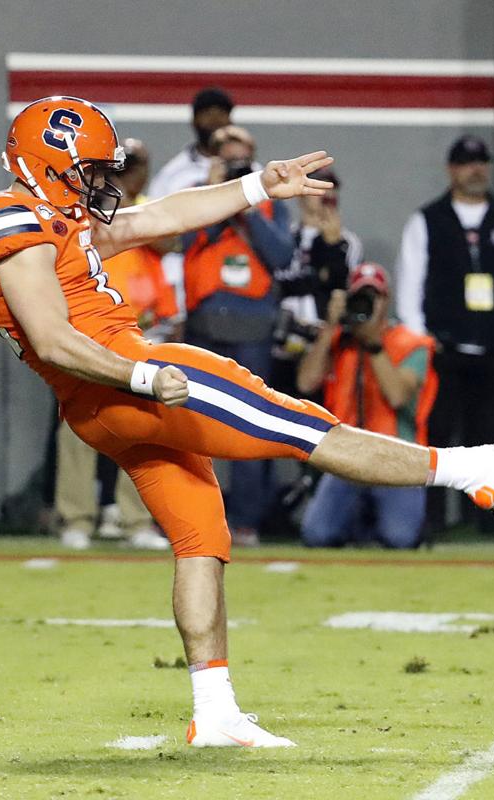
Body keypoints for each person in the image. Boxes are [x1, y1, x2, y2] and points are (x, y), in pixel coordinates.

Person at [0, 95, 494, 748]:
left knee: (201, 538)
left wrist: (254, 187)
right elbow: (51, 338)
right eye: (91, 170)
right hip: (131, 379)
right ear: (51, 165)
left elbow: (159, 214)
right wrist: (141, 374)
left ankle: (214, 710)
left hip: (97, 406)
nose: (103, 183)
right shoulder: (7, 217)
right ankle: (472, 468)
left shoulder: (55, 216)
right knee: (301, 426)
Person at [394, 135, 494, 536]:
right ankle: (435, 518)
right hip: (444, 347)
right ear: (451, 169)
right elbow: (411, 283)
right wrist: (422, 340)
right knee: (438, 435)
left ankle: (490, 520)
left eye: (481, 162)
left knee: (492, 438)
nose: (475, 169)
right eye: (466, 162)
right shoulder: (427, 220)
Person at [54, 138, 174, 551]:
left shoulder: (139, 208)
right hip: (88, 328)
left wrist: (129, 191)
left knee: (142, 426)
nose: (126, 174)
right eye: (119, 167)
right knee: (79, 424)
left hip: (140, 329)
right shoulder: (85, 205)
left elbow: (168, 239)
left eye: (134, 166)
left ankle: (134, 519)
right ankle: (76, 517)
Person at [181, 124, 294, 547]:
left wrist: (245, 206)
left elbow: (282, 255)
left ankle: (246, 520)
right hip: (205, 322)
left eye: (240, 156)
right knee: (190, 426)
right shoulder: (195, 194)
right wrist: (217, 197)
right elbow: (186, 240)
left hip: (253, 325)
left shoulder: (268, 202)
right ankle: (190, 514)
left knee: (251, 423)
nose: (234, 163)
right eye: (226, 156)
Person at [296, 263, 437, 549]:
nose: (367, 304)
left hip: (397, 457)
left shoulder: (411, 344)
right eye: (360, 296)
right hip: (346, 456)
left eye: (374, 297)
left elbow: (398, 395)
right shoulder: (338, 340)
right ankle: (359, 525)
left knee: (400, 538)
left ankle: (390, 523)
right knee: (316, 534)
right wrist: (329, 329)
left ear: (386, 301)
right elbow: (305, 383)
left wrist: (374, 344)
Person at [272, 166, 363, 395]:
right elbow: (277, 283)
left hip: (320, 337)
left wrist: (331, 247)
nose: (327, 196)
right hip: (281, 338)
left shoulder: (346, 242)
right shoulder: (285, 237)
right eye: (319, 188)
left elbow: (339, 287)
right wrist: (314, 279)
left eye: (331, 190)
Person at [148, 87, 236, 312]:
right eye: (208, 113)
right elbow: (154, 226)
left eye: (221, 113)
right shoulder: (173, 174)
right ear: (195, 120)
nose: (215, 120)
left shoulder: (249, 172)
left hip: (236, 278)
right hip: (184, 276)